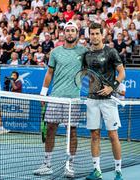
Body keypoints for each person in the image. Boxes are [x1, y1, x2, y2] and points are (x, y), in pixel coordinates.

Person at [33, 21, 88, 178]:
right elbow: (49, 73)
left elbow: (91, 69)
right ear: (63, 33)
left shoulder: (84, 52)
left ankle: (69, 165)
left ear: (77, 34)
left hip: (73, 100)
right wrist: (43, 93)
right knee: (50, 129)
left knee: (72, 132)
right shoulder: (55, 52)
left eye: (73, 31)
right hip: (56, 97)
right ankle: (47, 164)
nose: (70, 33)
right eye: (67, 31)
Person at [84, 23, 125, 180]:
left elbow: (122, 73)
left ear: (102, 35)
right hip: (92, 100)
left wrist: (112, 87)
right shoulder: (87, 55)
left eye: (97, 33)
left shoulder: (111, 52)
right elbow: (86, 75)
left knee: (113, 135)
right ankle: (96, 170)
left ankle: (118, 172)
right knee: (95, 135)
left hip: (108, 100)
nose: (94, 36)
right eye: (92, 34)